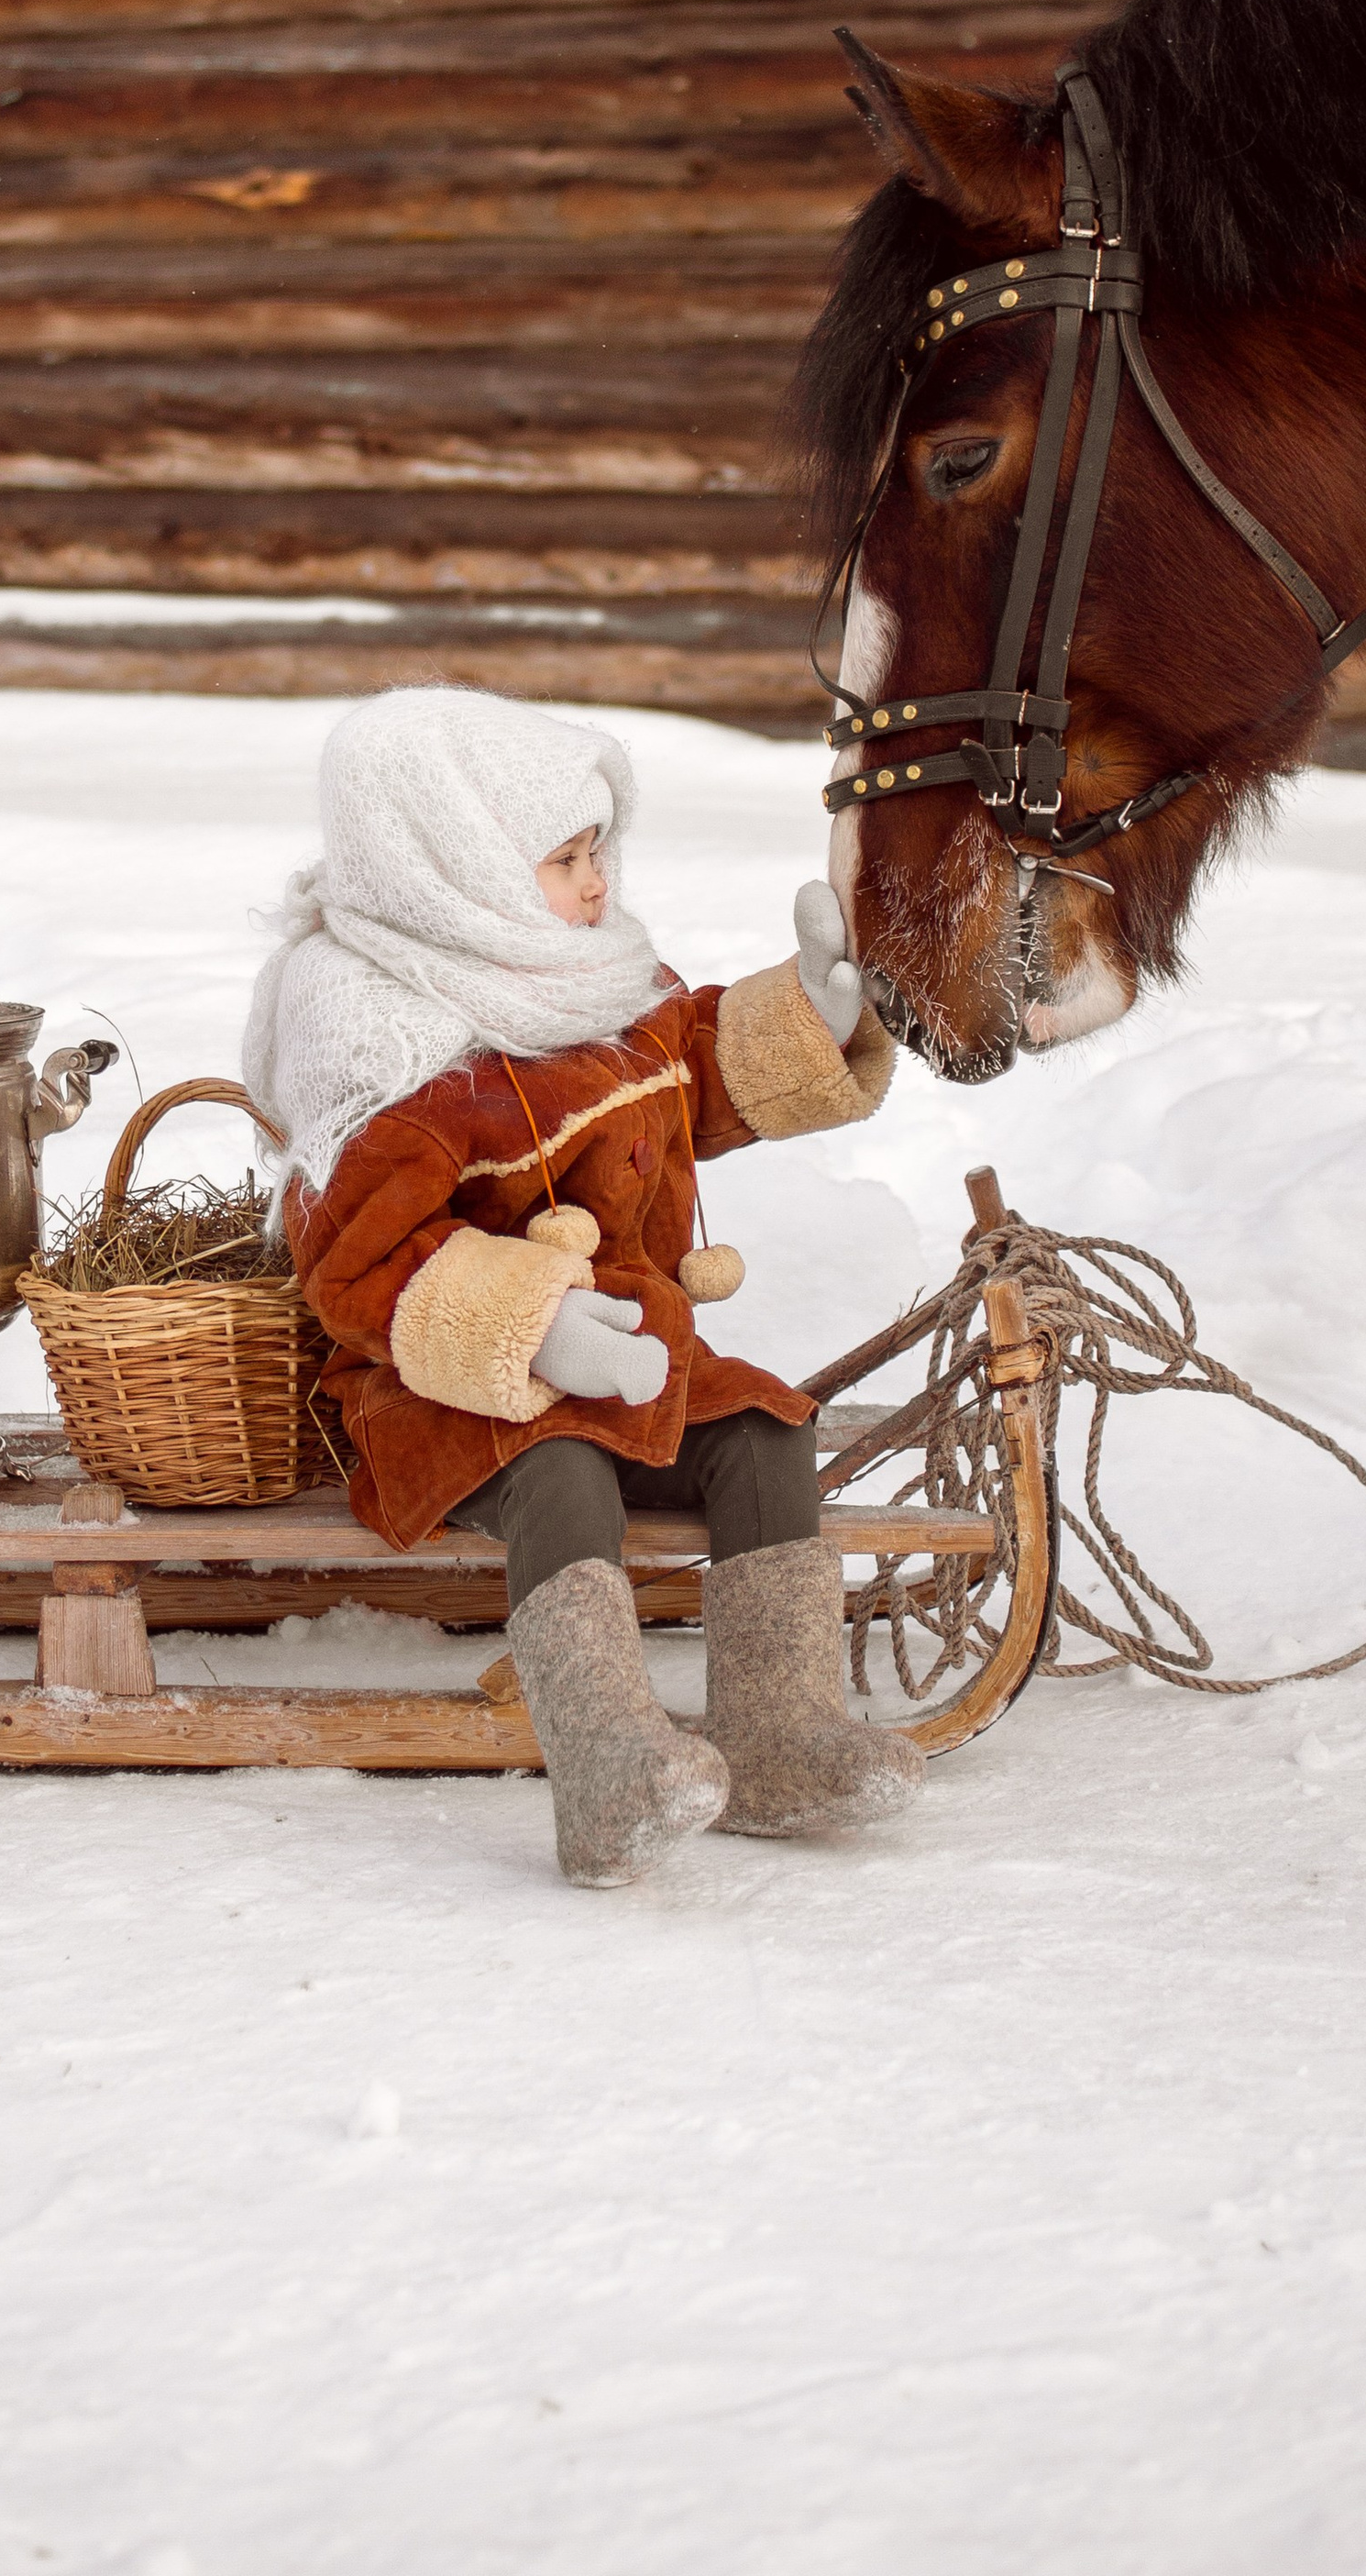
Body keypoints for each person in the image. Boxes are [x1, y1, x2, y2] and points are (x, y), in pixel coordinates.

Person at [245, 687, 922, 1885]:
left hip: (634, 1350)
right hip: (455, 1390)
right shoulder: (383, 1033)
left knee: (764, 1432)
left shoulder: (593, 974)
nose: (598, 884)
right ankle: (609, 1767)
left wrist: (808, 1020)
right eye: (563, 861)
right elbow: (354, 1258)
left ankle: (779, 1737)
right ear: (455, 870)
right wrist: (536, 1327)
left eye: (597, 851)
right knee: (561, 1469)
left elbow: (685, 1067)